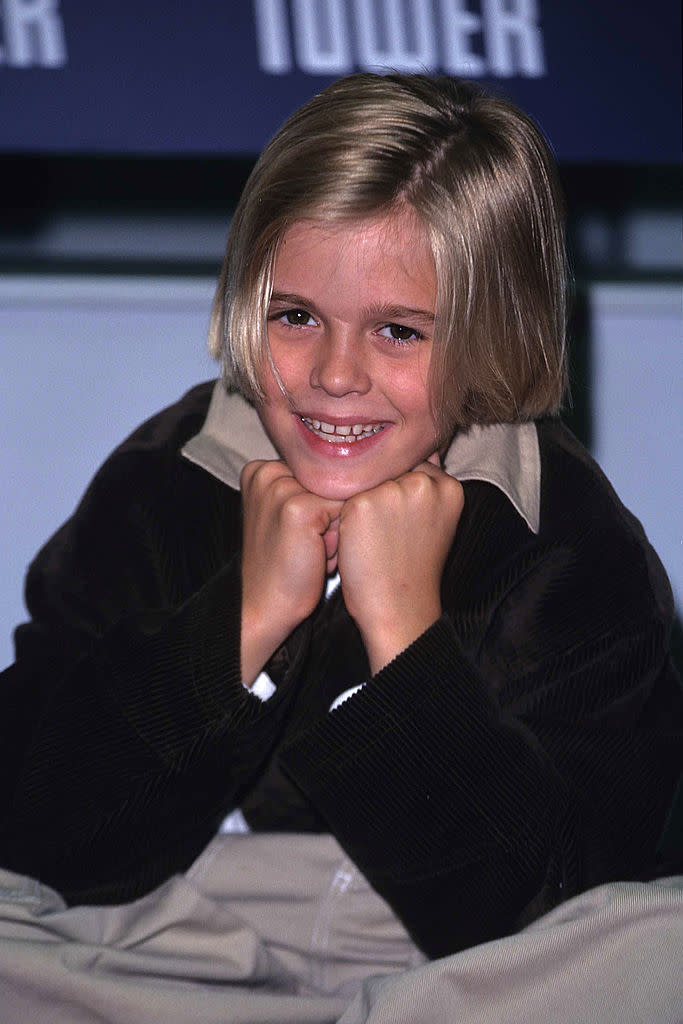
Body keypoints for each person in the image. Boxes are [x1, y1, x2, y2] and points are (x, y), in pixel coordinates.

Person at [0, 73, 680, 966]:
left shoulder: (570, 548)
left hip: (437, 971)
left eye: (398, 331)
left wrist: (402, 635)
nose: (333, 374)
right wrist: (243, 620)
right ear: (247, 304)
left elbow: (556, 927)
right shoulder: (165, 478)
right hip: (171, 936)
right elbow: (35, 834)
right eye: (295, 317)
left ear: (494, 330)